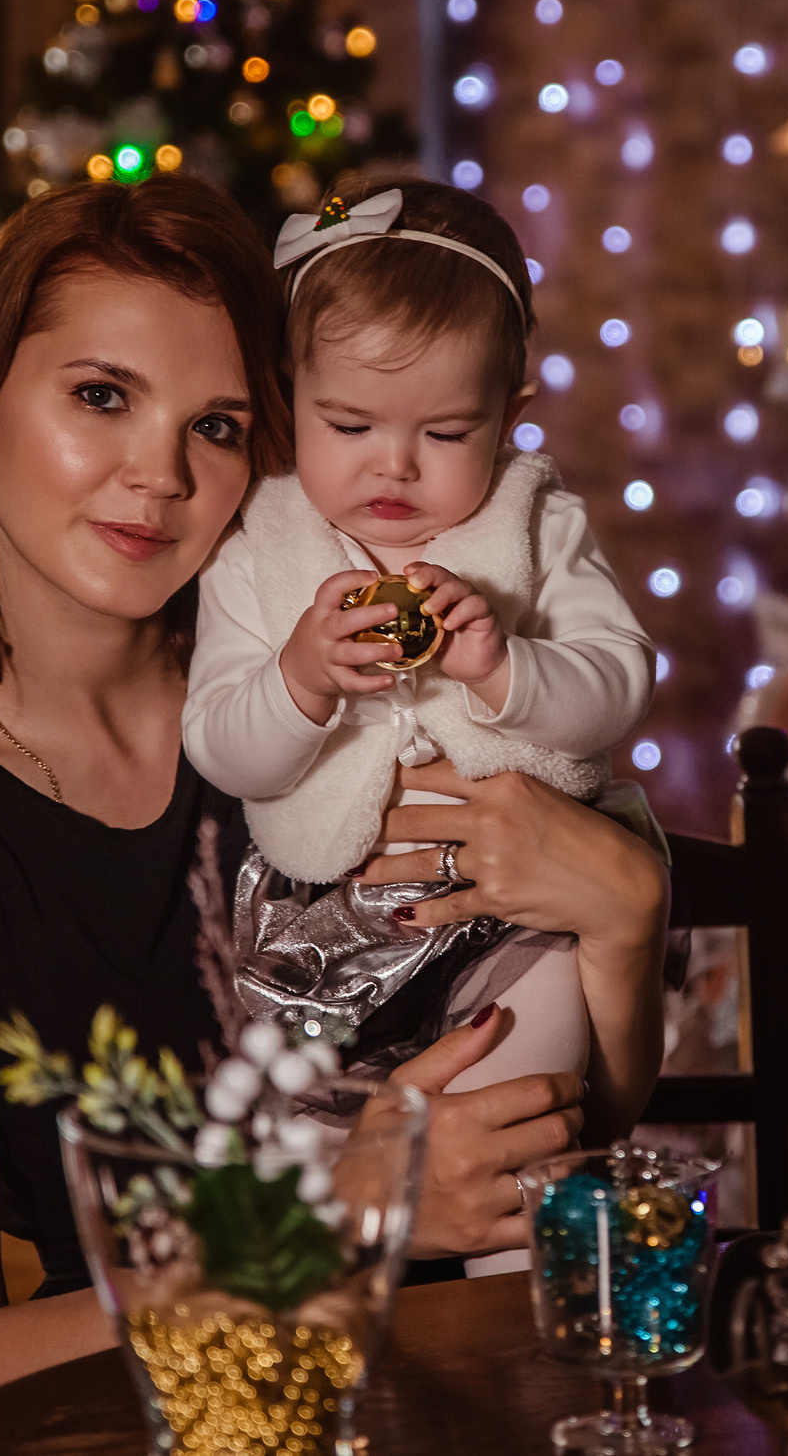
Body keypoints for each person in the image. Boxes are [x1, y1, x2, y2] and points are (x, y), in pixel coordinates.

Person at [0, 174, 668, 1430]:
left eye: (213, 426)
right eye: (101, 397)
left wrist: (626, 924)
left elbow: (553, 1108)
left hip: (471, 1391)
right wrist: (333, 1219)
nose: (156, 474)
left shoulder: (332, 693)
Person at [181, 176, 655, 1174]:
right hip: (317, 937)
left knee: (518, 1137)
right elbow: (222, 744)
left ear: (509, 416)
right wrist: (301, 679)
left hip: (521, 919)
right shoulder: (257, 548)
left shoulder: (535, 525)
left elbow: (618, 683)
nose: (393, 466)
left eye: (444, 435)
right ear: (287, 397)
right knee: (299, 1171)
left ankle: (509, 1294)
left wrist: (504, 667)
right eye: (349, 427)